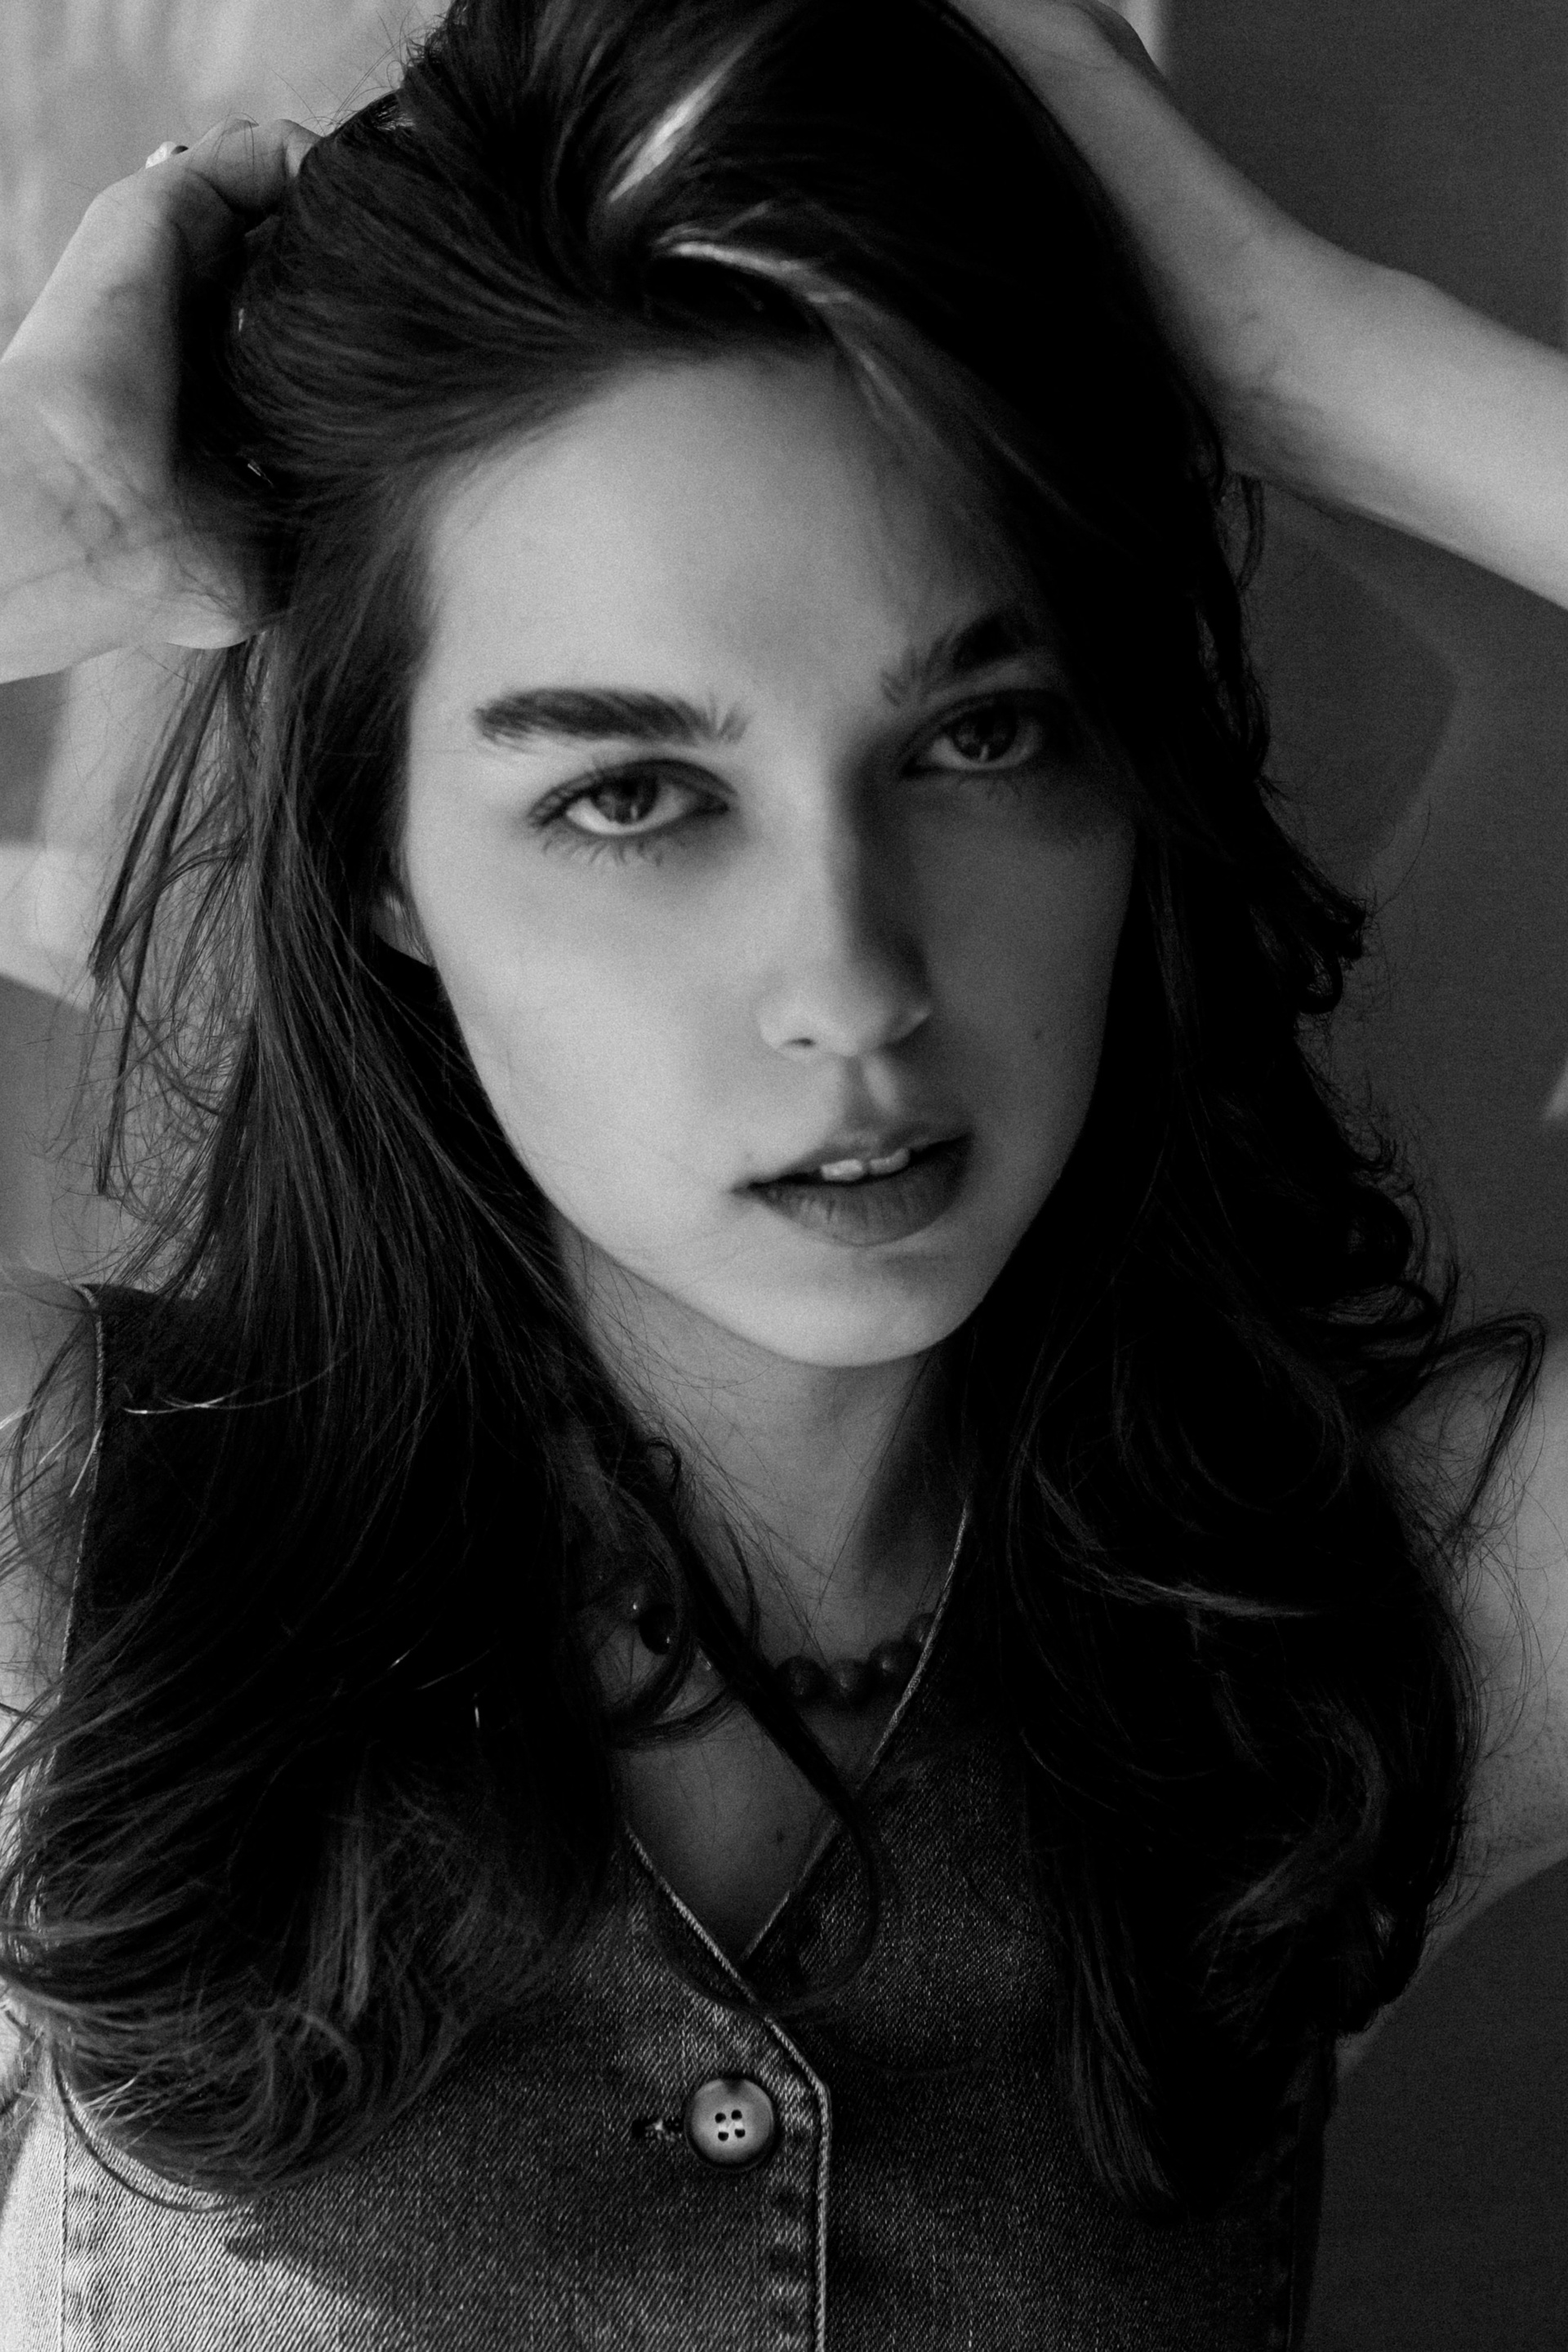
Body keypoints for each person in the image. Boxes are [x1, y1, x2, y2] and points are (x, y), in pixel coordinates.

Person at [0, 0, 1563, 2343]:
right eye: (632, 794)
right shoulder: (76, 1550)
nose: (853, 980)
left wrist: (1301, 348)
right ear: (383, 860)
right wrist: (54, 537)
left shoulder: (1371, 1637)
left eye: (981, 735)